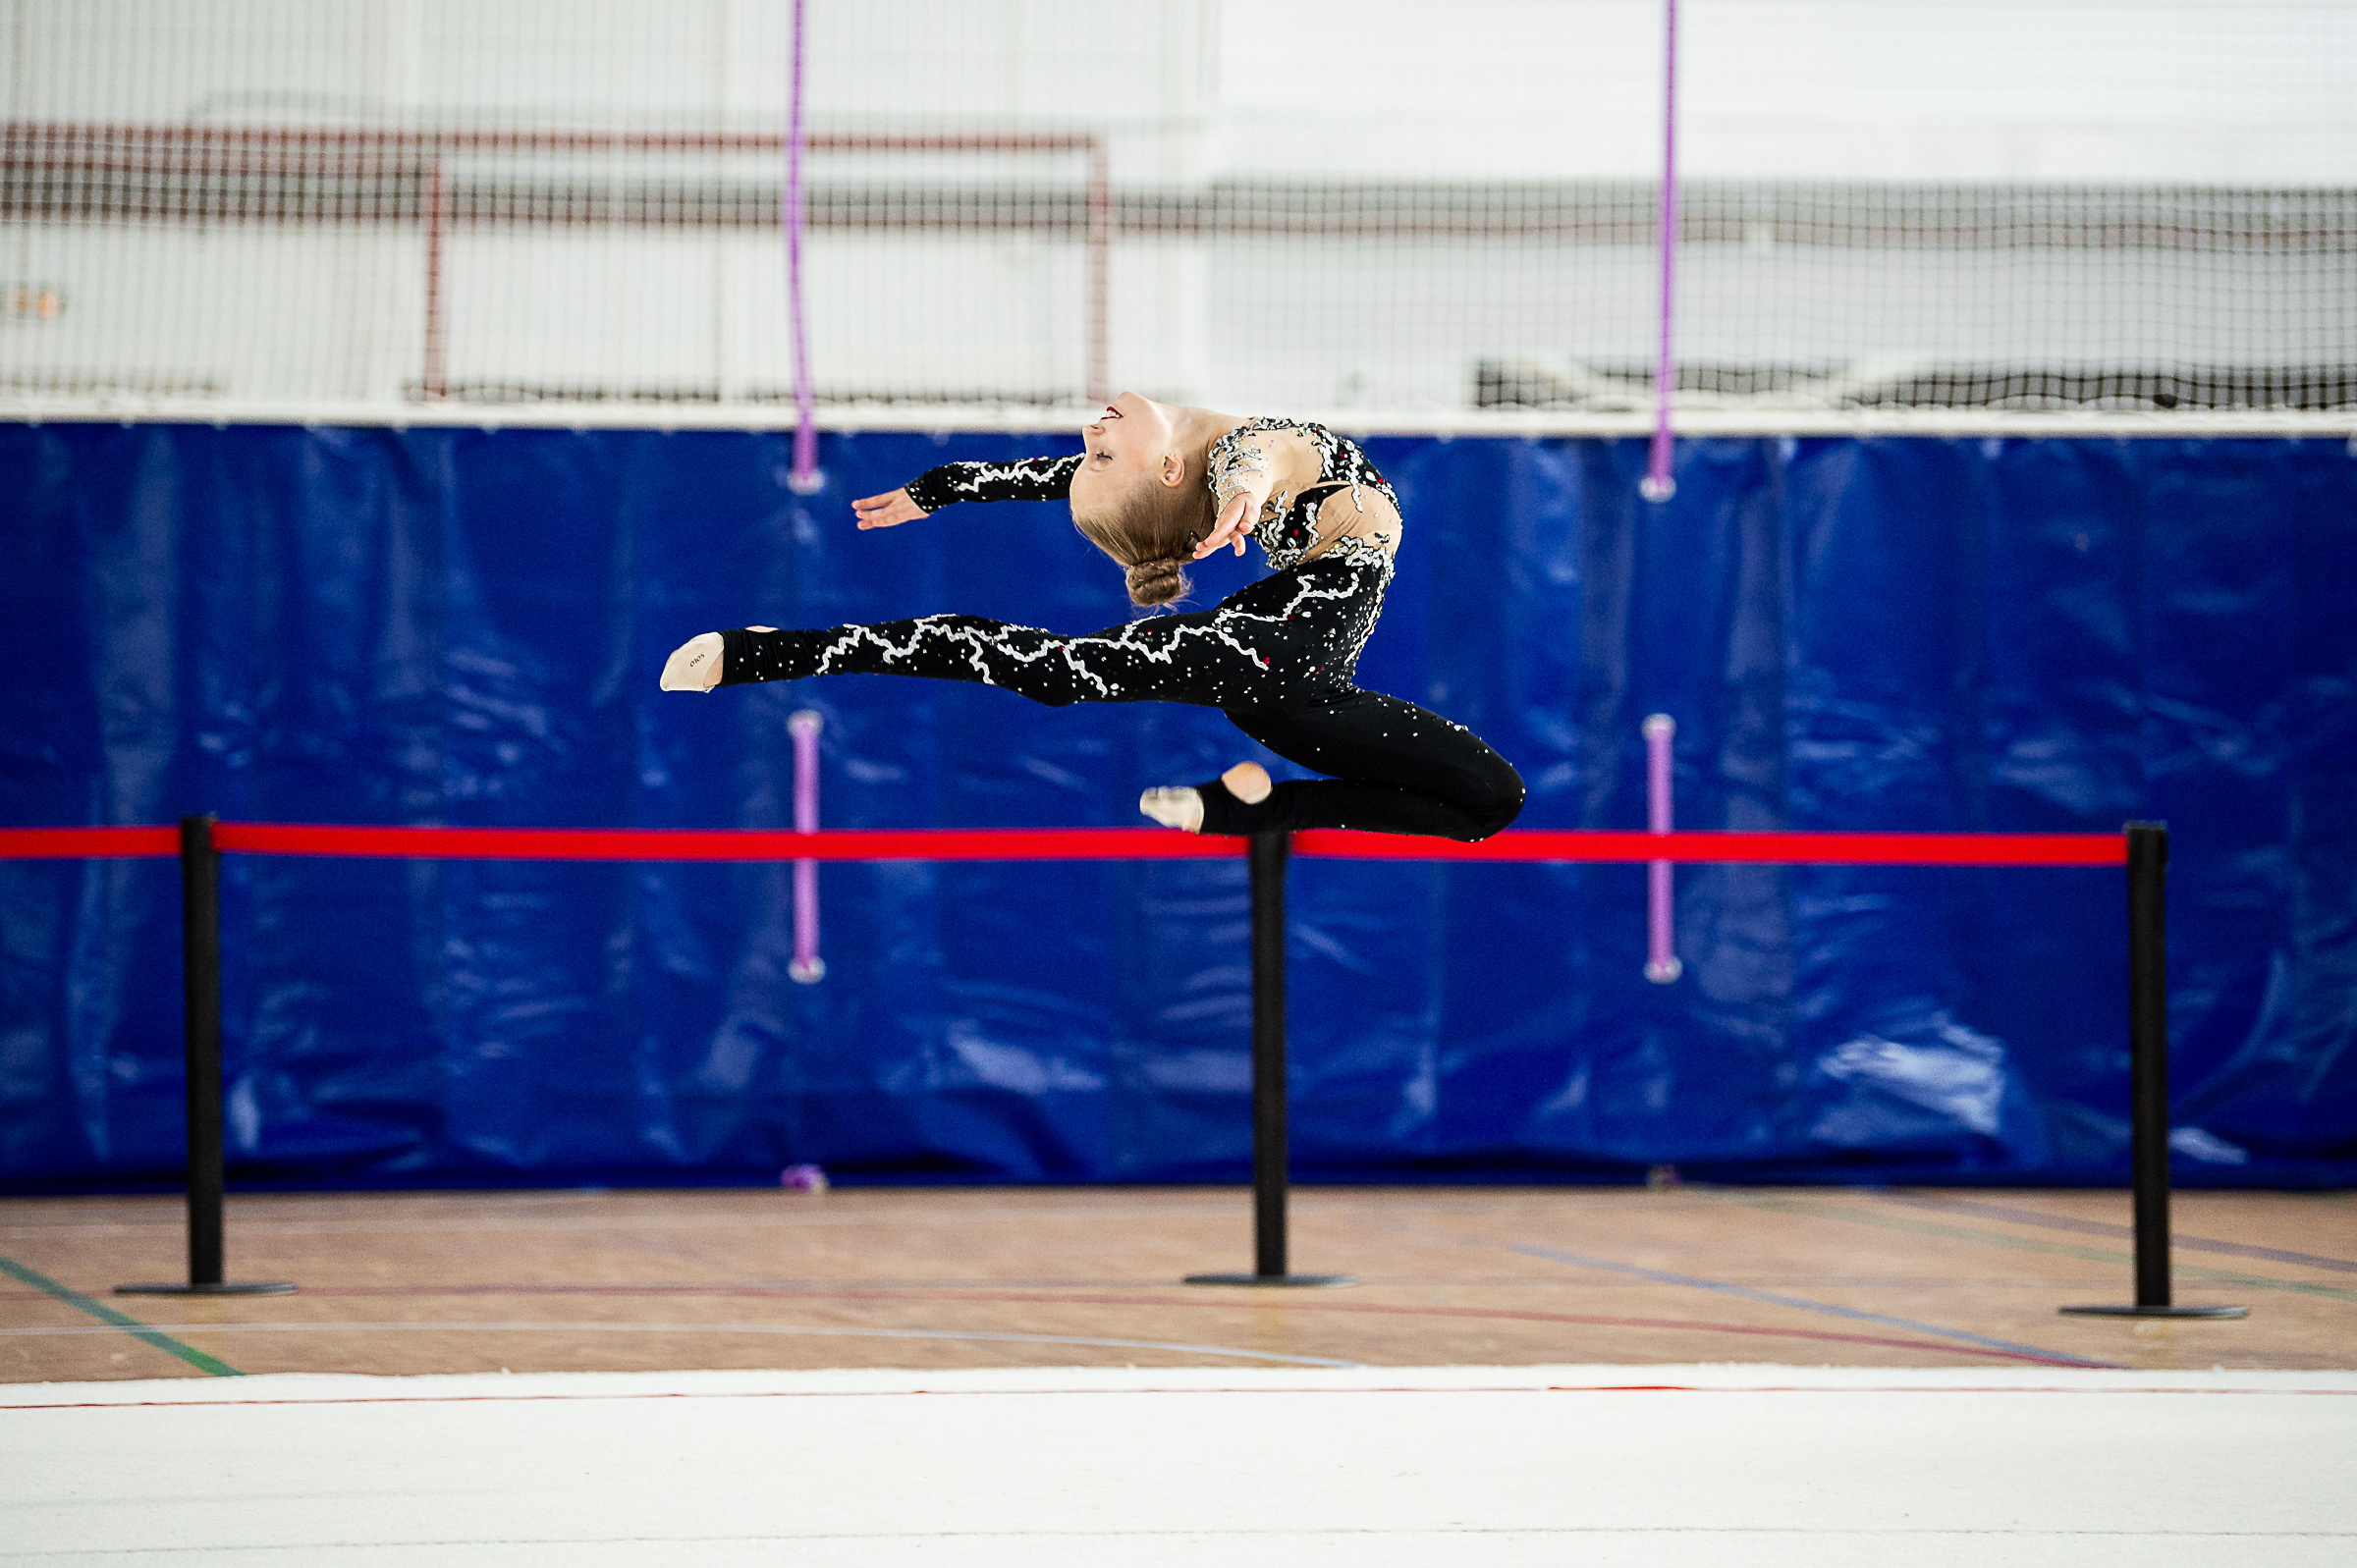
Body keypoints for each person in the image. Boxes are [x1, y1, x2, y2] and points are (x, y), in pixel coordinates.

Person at [660, 393, 1522, 841]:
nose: (1088, 430)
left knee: (1491, 800)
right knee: (1052, 674)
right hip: (1262, 649)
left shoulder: (1214, 449)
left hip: (1308, 692)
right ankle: (782, 651)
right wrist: (1246, 492)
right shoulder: (1229, 453)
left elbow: (1229, 462)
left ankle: (1258, 808)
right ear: (1174, 478)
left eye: (1093, 452)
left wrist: (947, 485)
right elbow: (1251, 460)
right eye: (1099, 450)